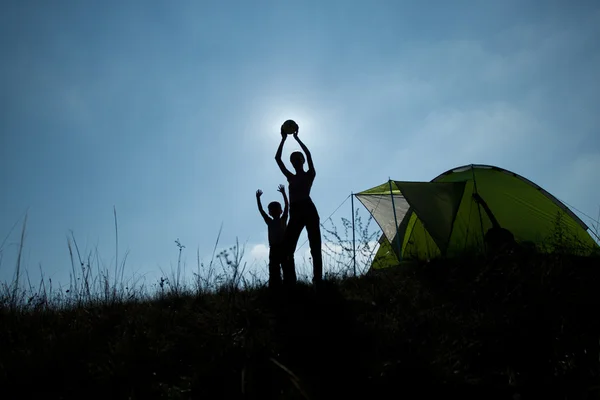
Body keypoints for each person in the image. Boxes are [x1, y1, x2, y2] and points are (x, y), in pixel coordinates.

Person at [275, 123, 322, 286]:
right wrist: (283, 139)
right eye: (293, 159)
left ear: (302, 161)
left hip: (308, 208)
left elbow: (308, 153)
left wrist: (296, 138)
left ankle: (318, 280)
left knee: (315, 246)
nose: (295, 160)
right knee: (287, 249)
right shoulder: (290, 176)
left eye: (297, 158)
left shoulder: (310, 174)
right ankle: (290, 281)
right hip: (296, 211)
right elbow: (278, 159)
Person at [256, 185, 289, 288]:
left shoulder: (283, 219)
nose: (274, 211)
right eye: (272, 209)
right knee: (274, 271)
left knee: (284, 269)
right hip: (274, 248)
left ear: (280, 211)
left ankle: (285, 287)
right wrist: (258, 199)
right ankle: (276, 288)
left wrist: (284, 193)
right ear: (270, 212)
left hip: (282, 247)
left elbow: (287, 205)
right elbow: (261, 211)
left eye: (276, 209)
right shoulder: (270, 221)